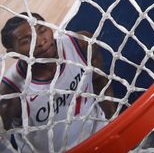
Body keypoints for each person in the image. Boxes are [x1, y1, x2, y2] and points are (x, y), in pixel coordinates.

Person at [0, 13, 116, 152]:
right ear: (13, 54)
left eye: (42, 30)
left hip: (99, 134)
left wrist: (112, 121)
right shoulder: (10, 94)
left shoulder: (80, 44)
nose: (41, 41)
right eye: (26, 41)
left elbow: (100, 81)